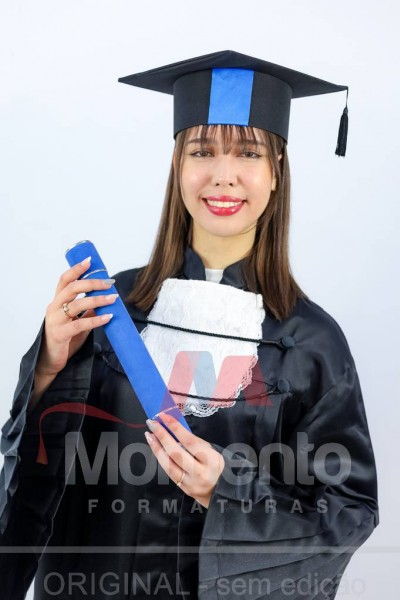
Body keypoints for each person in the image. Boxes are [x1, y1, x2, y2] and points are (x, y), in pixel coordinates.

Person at [0, 50, 378, 599]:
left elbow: (347, 513)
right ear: (178, 165)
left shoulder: (312, 342)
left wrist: (228, 494)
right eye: (202, 151)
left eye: (248, 152)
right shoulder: (108, 308)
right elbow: (39, 469)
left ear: (276, 171)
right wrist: (47, 371)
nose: (223, 176)